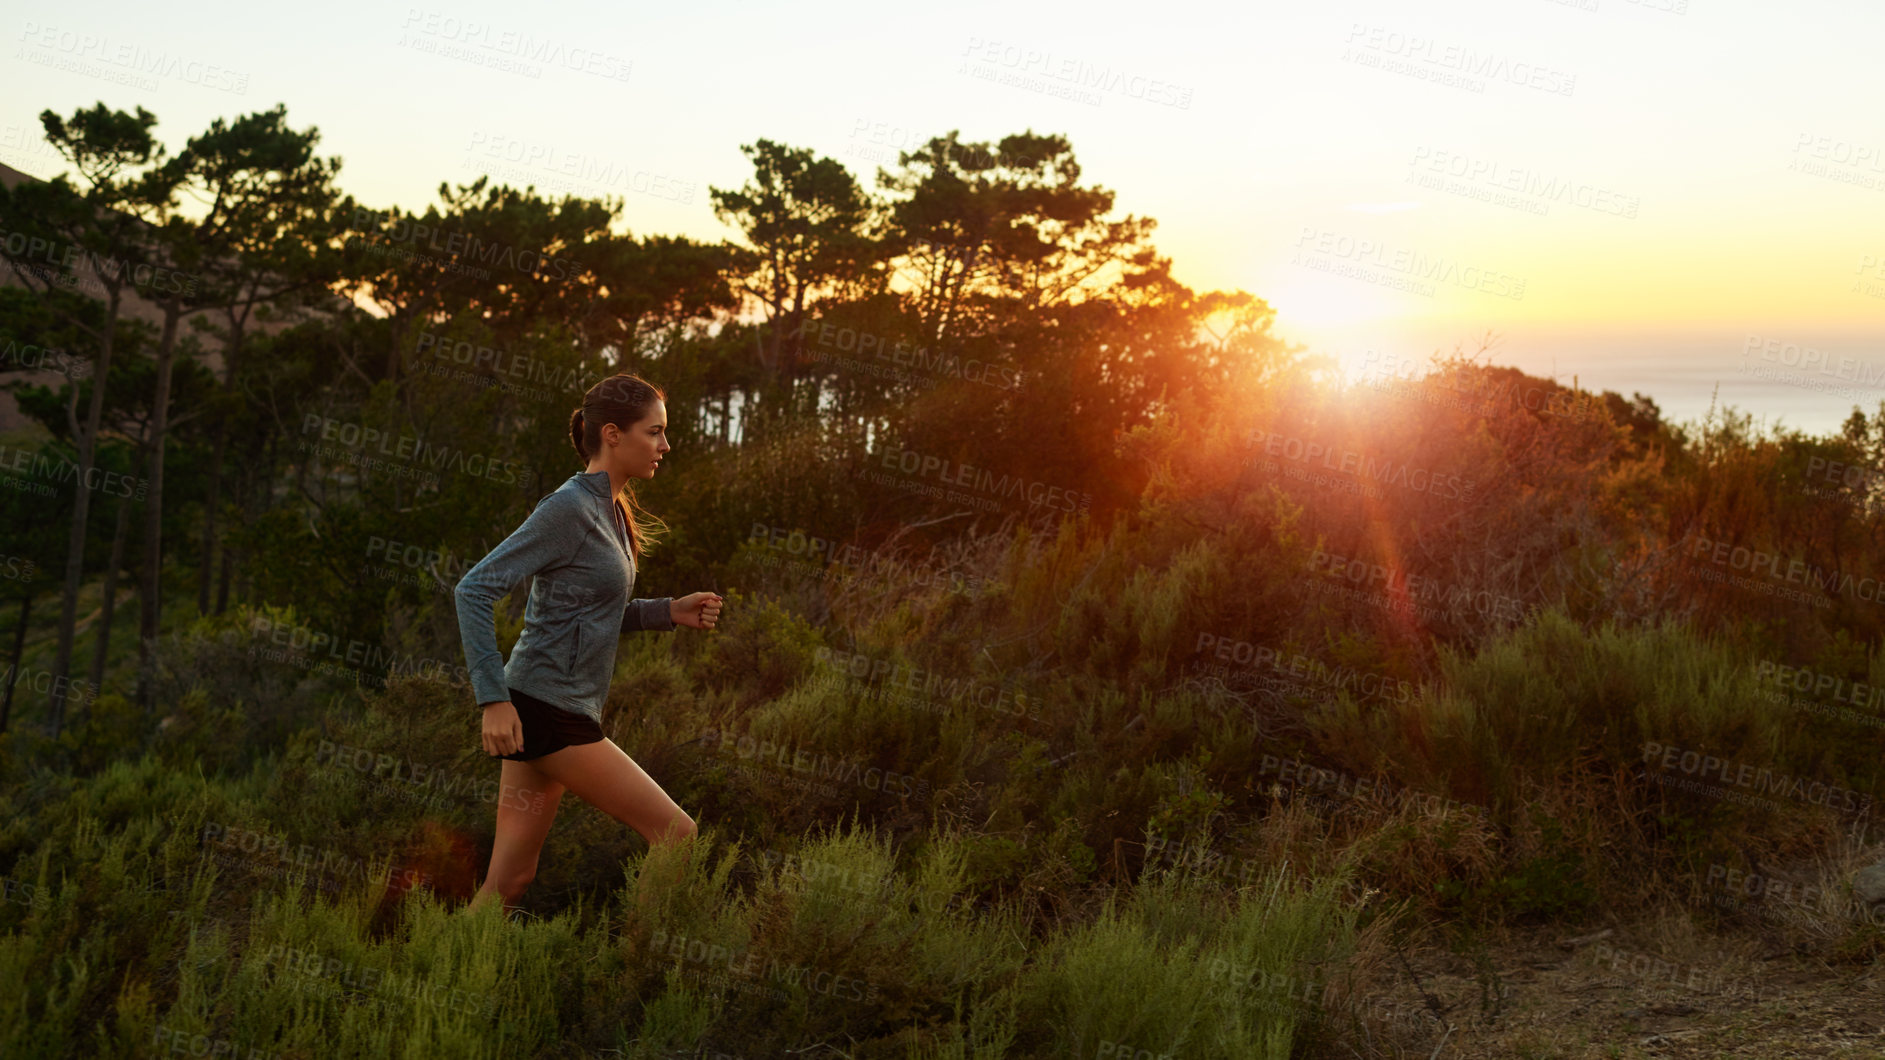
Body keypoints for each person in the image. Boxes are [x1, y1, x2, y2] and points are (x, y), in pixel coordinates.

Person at [454, 373, 723, 914]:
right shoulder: (569, 508)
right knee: (676, 834)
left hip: (544, 705)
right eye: (655, 433)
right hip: (547, 711)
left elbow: (588, 613)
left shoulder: (614, 510)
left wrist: (666, 612)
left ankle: (440, 974)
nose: (666, 446)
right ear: (613, 434)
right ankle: (636, 972)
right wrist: (493, 700)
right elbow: (473, 589)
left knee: (509, 881)